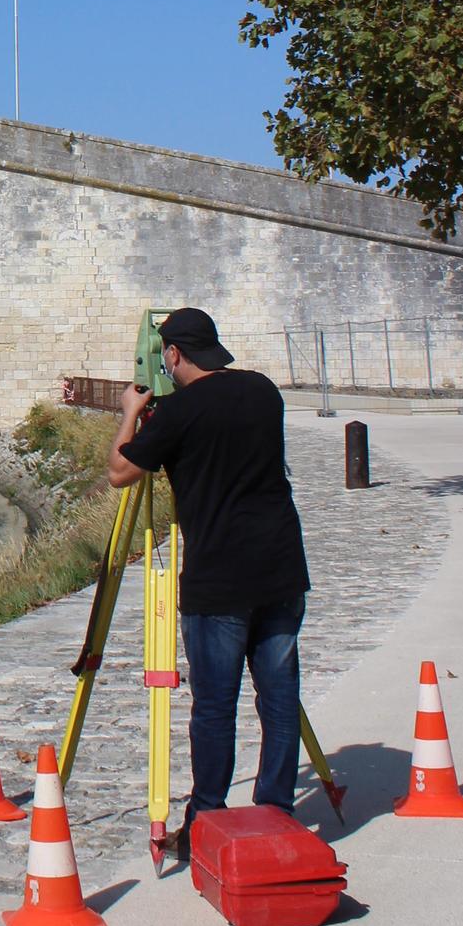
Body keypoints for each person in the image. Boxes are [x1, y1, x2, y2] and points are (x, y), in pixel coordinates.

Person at [108, 306, 312, 851]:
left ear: (172, 354)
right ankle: (276, 811)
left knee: (216, 707)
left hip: (219, 579)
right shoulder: (264, 392)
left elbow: (120, 473)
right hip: (281, 569)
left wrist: (131, 411)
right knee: (278, 700)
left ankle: (205, 821)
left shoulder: (180, 413)